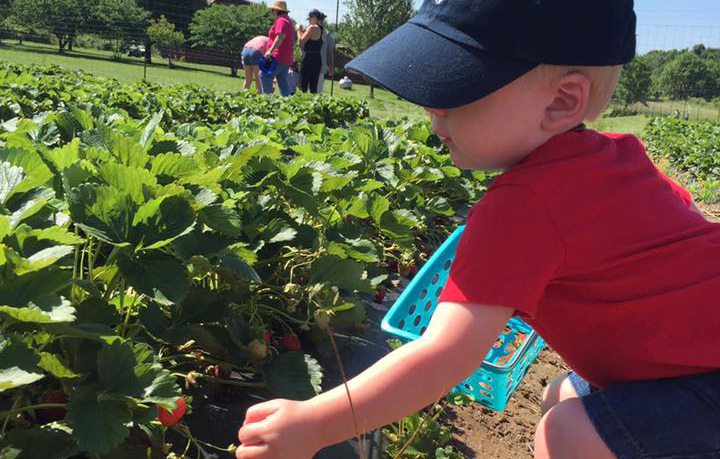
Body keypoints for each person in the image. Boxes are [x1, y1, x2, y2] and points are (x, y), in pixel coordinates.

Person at [236, 1, 720, 459]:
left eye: (453, 89)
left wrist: (315, 423)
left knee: (570, 433)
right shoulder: (615, 155)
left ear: (561, 103)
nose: (433, 115)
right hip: (690, 366)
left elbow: (445, 356)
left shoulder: (525, 203)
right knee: (563, 395)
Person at [262, 0, 294, 97]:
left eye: (273, 10)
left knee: (264, 74)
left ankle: (268, 101)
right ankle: (287, 105)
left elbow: (280, 37)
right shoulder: (288, 21)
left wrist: (270, 51)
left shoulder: (281, 21)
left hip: (277, 56)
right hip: (286, 58)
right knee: (282, 82)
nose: (272, 12)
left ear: (277, 11)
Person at [297, 9, 324, 94]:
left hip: (308, 58)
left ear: (315, 18)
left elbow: (301, 41)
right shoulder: (323, 30)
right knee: (313, 87)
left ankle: (303, 105)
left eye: (310, 18)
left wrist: (298, 30)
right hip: (317, 59)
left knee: (303, 86)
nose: (308, 20)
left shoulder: (312, 27)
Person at [317, 13, 335, 93]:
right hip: (319, 68)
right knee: (316, 93)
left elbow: (330, 52)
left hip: (317, 68)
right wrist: (331, 67)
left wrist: (331, 67)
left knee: (310, 93)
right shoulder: (327, 34)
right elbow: (330, 53)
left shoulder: (327, 34)